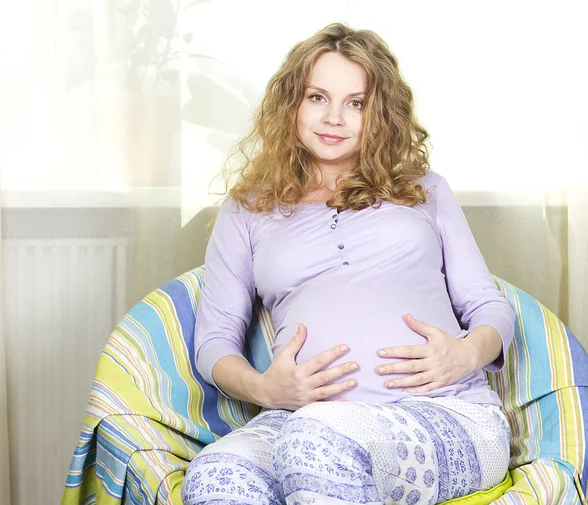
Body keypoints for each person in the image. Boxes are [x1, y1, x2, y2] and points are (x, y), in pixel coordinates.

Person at [181, 22, 514, 505]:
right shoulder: (248, 209)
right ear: (292, 102)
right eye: (318, 97)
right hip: (299, 419)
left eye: (356, 103)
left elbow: (490, 307)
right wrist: (266, 389)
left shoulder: (425, 191)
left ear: (379, 114)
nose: (334, 117)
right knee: (215, 478)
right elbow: (214, 342)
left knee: (317, 443)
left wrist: (464, 355)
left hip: (444, 412)